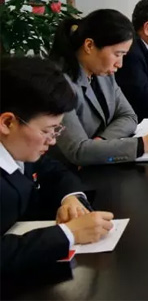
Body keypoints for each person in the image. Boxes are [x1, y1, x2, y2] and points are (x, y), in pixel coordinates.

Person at [1, 57, 115, 273]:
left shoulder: (18, 148)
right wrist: (69, 234)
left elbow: (54, 170)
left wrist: (70, 199)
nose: (52, 141)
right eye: (47, 131)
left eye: (56, 130)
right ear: (8, 123)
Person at [49, 9, 148, 166]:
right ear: (89, 45)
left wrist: (102, 141)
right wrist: (145, 143)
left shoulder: (103, 73)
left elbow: (129, 116)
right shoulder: (58, 83)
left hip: (99, 165)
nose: (120, 64)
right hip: (68, 172)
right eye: (117, 54)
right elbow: (78, 151)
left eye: (123, 55)